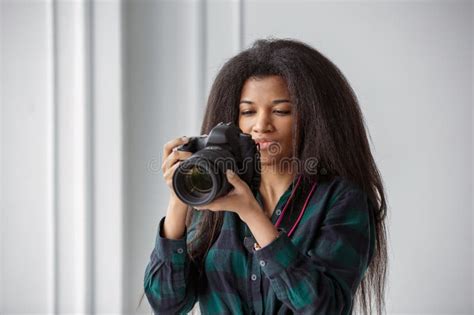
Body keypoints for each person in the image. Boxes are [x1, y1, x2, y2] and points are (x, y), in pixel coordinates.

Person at [141, 38, 388, 315]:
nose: (261, 125)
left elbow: (323, 307)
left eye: (281, 111)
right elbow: (166, 304)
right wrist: (179, 198)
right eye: (248, 111)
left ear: (316, 117)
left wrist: (252, 215)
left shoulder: (341, 200)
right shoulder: (215, 192)